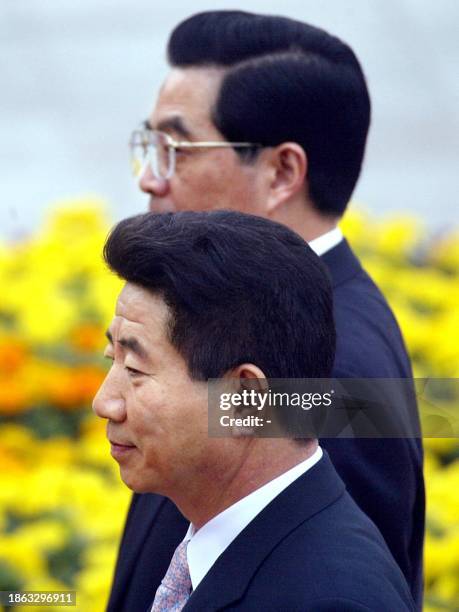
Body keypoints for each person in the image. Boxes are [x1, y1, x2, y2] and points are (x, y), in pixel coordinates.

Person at [110, 11, 424, 611]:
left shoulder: (330, 371)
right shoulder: (244, 309)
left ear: (282, 171)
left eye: (176, 149)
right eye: (149, 145)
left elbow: (335, 584)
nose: (151, 179)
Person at [94, 210, 415, 611]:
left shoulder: (331, 599)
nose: (103, 403)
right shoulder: (215, 542)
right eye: (113, 356)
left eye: (135, 370)